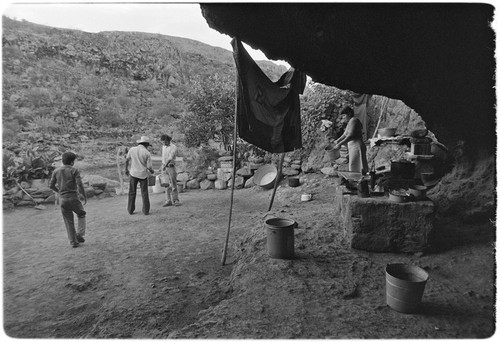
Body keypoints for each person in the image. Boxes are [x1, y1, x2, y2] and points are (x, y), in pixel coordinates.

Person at [49, 151, 87, 248]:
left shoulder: (56, 171)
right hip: (73, 197)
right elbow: (79, 184)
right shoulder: (74, 170)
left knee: (68, 220)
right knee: (81, 214)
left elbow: (51, 185)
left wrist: (59, 192)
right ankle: (79, 234)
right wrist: (84, 195)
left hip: (63, 199)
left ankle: (73, 241)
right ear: (72, 162)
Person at [333, 105, 369, 174]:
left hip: (357, 146)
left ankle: (360, 182)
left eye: (344, 115)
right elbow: (344, 134)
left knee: (358, 166)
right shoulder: (350, 122)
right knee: (354, 166)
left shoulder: (354, 120)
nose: (343, 118)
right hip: (353, 147)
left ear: (349, 114)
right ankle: (357, 182)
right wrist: (338, 140)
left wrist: (339, 144)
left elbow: (351, 135)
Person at [125, 136, 154, 215]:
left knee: (132, 192)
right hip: (142, 175)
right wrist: (152, 171)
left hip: (133, 173)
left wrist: (126, 169)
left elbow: (127, 160)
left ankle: (130, 210)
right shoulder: (147, 153)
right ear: (147, 144)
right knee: (144, 193)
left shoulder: (132, 149)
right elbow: (149, 167)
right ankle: (145, 210)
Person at [160, 134, 180, 207]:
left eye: (165, 141)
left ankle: (176, 200)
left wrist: (165, 166)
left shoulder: (173, 147)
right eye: (162, 142)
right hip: (164, 167)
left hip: (170, 167)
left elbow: (170, 158)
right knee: (166, 184)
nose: (164, 143)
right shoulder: (163, 147)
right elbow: (163, 158)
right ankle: (168, 200)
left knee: (173, 184)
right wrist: (162, 166)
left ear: (168, 140)